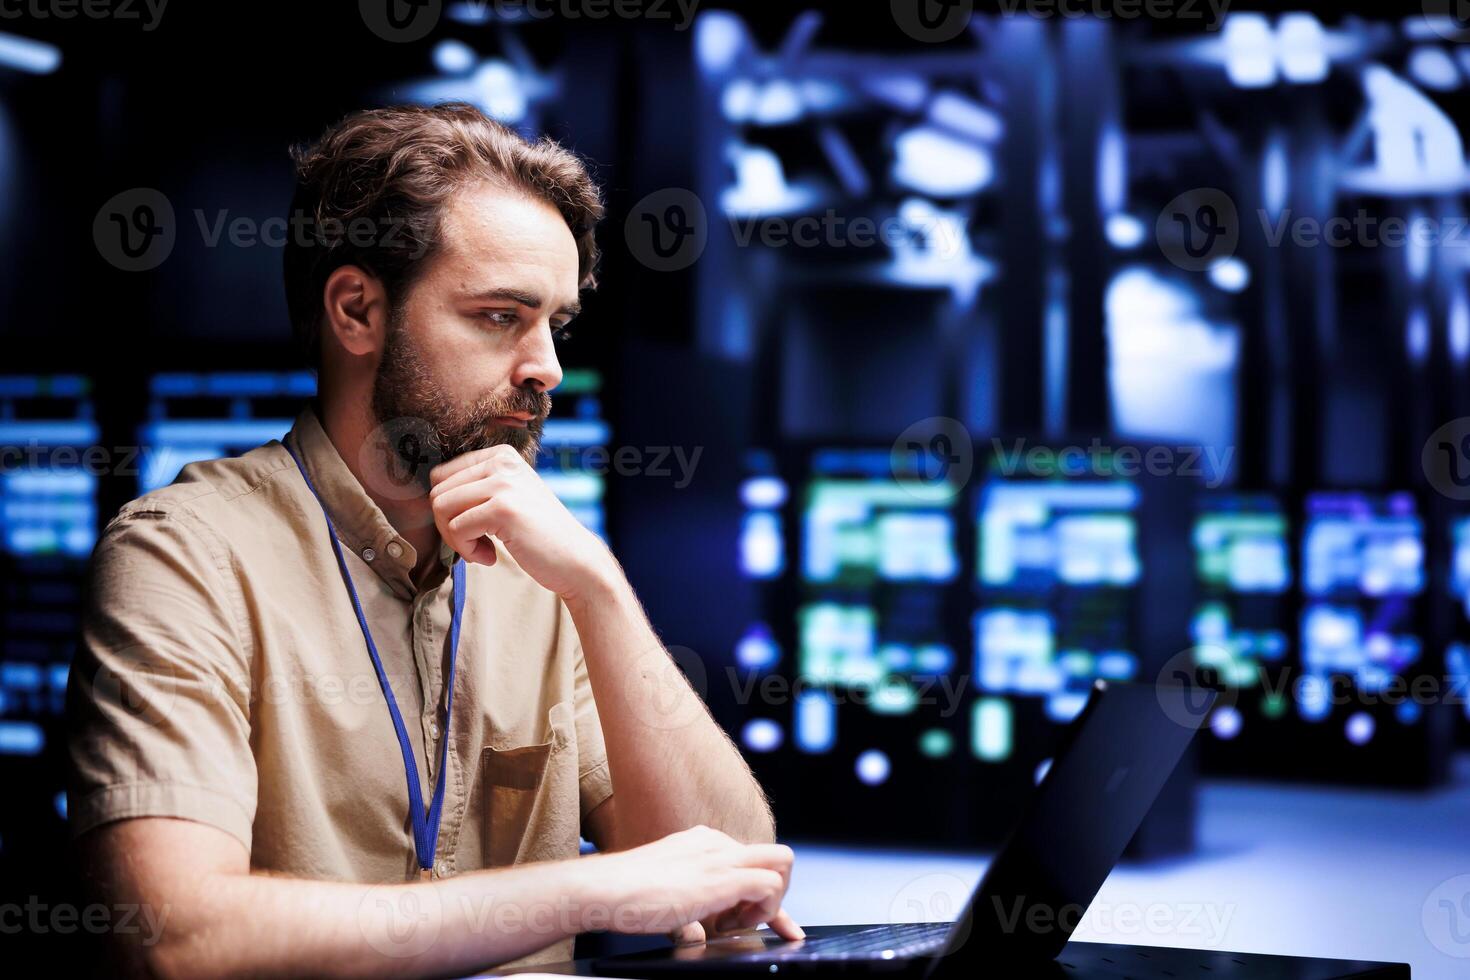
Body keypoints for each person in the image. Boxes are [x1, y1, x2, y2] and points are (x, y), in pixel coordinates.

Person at [66, 101, 801, 979]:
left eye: (556, 325)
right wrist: (590, 890)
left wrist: (599, 591)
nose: (548, 368)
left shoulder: (544, 576)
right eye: (501, 317)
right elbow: (176, 937)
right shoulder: (183, 558)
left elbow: (733, 882)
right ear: (356, 310)